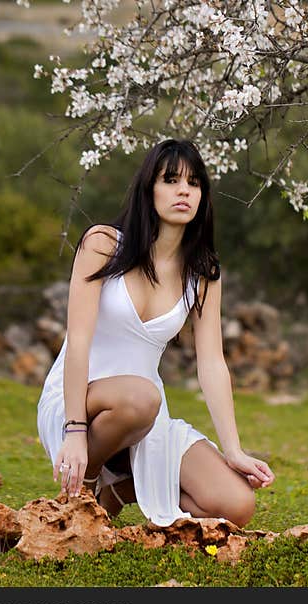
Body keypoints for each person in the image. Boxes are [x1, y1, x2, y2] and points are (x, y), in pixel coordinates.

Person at [36, 138, 275, 528]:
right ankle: (83, 487)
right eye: (171, 180)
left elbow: (212, 363)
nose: (184, 190)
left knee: (236, 504)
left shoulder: (203, 274)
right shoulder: (103, 244)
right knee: (140, 397)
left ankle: (114, 493)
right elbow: (77, 342)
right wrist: (75, 432)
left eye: (194, 183)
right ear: (149, 189)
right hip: (79, 402)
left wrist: (233, 450)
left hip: (146, 415)